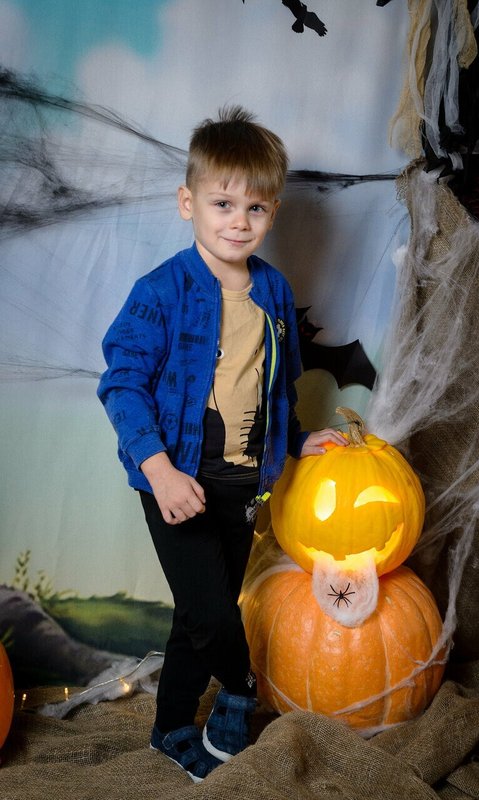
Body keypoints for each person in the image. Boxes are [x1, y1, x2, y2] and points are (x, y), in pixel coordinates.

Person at [97, 106, 346, 783]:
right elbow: (121, 384)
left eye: (255, 208)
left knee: (195, 617)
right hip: (176, 477)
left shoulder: (273, 291)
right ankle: (240, 688)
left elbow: (275, 388)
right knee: (212, 616)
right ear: (189, 203)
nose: (239, 221)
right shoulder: (161, 291)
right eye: (222, 203)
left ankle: (172, 728)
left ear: (272, 213)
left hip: (242, 483)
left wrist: (296, 441)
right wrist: (158, 470)